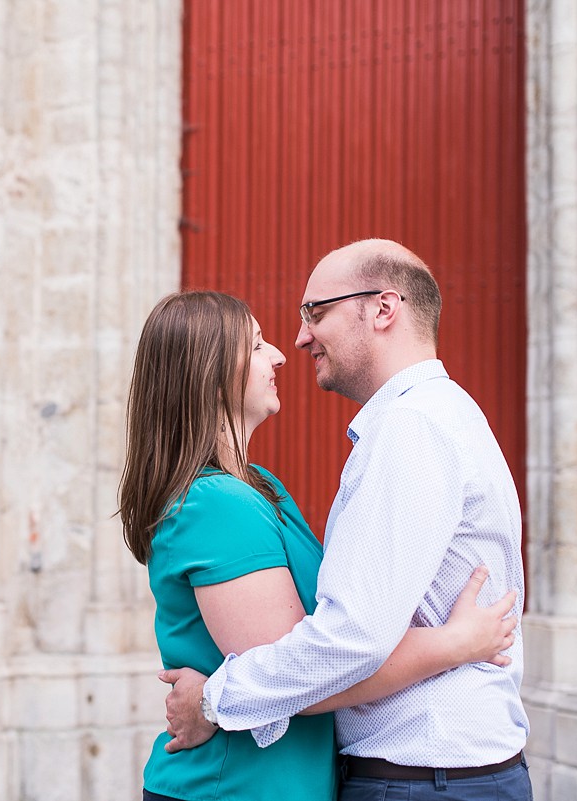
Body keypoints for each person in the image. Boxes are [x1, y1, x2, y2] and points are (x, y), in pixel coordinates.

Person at [160, 241, 530, 801]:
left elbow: (353, 639)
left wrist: (214, 698)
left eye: (316, 312)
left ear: (384, 309)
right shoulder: (438, 415)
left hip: (422, 778)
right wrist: (454, 642)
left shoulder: (411, 429)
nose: (299, 338)